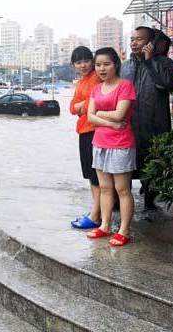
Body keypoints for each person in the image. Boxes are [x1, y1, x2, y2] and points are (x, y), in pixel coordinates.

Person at [121, 27, 173, 209]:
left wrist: (149, 62)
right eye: (132, 39)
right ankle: (122, 205)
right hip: (128, 125)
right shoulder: (126, 66)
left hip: (155, 123)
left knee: (152, 164)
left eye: (139, 39)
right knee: (125, 166)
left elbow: (168, 84)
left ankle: (150, 203)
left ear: (151, 43)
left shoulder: (165, 63)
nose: (134, 42)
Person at [86, 48, 137, 247]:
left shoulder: (125, 86)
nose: (102, 68)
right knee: (105, 188)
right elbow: (90, 117)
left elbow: (120, 114)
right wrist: (110, 122)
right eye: (98, 65)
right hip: (99, 143)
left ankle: (124, 230)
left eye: (106, 64)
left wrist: (100, 113)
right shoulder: (96, 88)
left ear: (116, 64)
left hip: (121, 144)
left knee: (122, 189)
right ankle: (105, 226)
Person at [69, 46, 102, 229]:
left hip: (94, 130)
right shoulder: (81, 81)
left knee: (97, 176)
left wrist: (82, 106)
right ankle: (95, 211)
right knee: (91, 176)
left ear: (92, 60)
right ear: (74, 65)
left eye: (86, 61)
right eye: (78, 62)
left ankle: (96, 216)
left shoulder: (96, 78)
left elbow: (95, 101)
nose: (83, 65)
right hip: (84, 130)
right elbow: (72, 107)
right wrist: (79, 106)